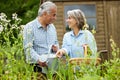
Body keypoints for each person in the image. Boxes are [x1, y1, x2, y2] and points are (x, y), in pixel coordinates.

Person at [23, 1, 59, 75]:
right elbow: (28, 49)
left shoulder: (52, 27)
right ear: (45, 14)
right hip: (37, 70)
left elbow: (56, 43)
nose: (55, 18)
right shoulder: (30, 27)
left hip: (53, 69)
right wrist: (39, 59)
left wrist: (56, 48)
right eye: (53, 15)